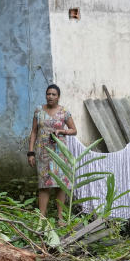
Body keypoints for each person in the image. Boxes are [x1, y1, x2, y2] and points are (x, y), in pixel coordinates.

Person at [27, 83, 77, 221]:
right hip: (43, 152)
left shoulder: (64, 112)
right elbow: (34, 132)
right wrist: (30, 152)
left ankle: (60, 217)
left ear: (58, 97)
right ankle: (42, 217)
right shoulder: (38, 111)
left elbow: (74, 130)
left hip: (60, 153)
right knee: (44, 184)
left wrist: (62, 131)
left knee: (61, 185)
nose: (50, 96)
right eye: (48, 94)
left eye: (53, 94)